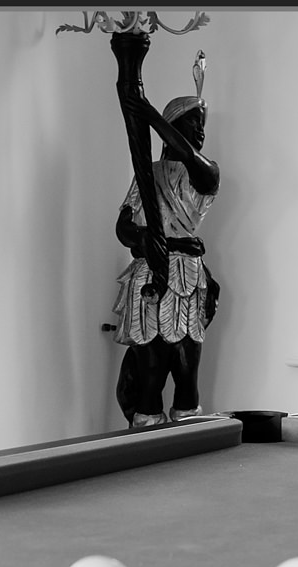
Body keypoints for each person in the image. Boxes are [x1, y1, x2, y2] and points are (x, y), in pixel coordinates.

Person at [108, 47, 220, 429]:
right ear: (176, 125)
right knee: (150, 374)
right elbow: (123, 225)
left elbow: (192, 158)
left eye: (203, 123)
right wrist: (141, 238)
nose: (201, 131)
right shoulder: (148, 173)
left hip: (187, 276)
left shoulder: (205, 173)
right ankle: (146, 439)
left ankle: (187, 440)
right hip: (149, 275)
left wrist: (146, 110)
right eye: (193, 122)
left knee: (187, 374)